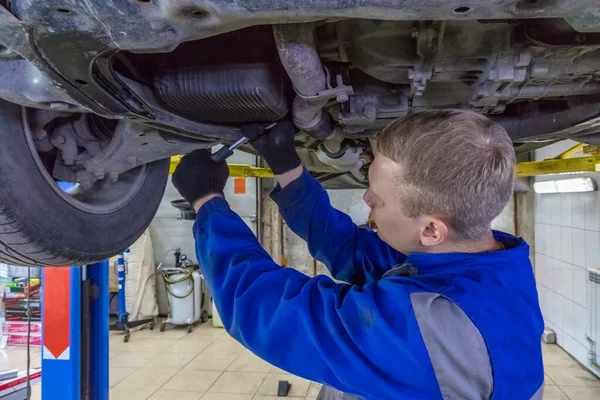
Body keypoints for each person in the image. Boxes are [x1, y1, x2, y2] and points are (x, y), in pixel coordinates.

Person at [172, 110, 544, 400]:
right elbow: (351, 250)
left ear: (431, 230)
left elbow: (265, 308)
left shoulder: (433, 331)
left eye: (377, 199)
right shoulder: (487, 265)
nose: (366, 200)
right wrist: (287, 166)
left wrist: (207, 200)